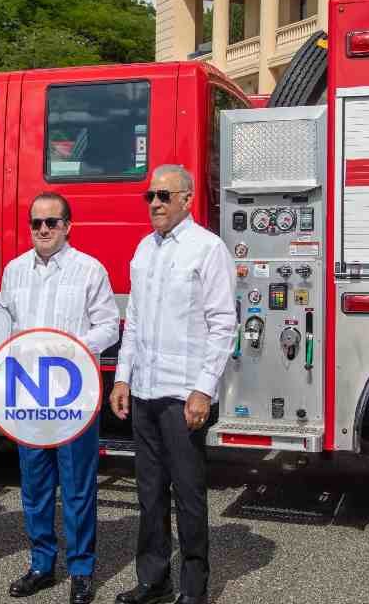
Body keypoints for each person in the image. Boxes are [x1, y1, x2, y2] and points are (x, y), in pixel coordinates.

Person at [110, 165, 235, 604]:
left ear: (188, 199)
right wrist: (122, 377)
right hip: (144, 390)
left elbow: (223, 325)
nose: (156, 204)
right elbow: (136, 322)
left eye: (165, 195)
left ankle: (193, 590)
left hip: (183, 395)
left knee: (188, 495)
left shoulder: (208, 249)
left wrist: (203, 389)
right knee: (149, 494)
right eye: (150, 196)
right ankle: (153, 582)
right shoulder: (144, 250)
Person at [0, 192, 119, 604]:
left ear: (68, 226)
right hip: (26, 393)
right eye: (36, 223)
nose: (43, 230)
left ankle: (81, 569)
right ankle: (41, 564)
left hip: (73, 392)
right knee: (34, 485)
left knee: (78, 485)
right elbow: (3, 327)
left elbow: (110, 327)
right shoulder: (13, 271)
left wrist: (70, 347)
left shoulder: (89, 270)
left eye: (52, 222)